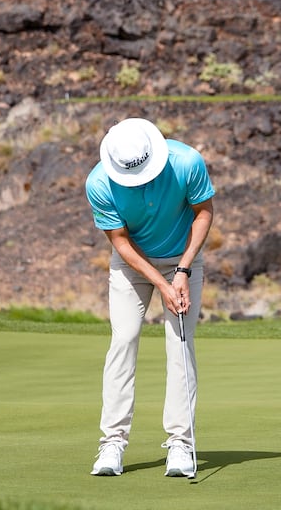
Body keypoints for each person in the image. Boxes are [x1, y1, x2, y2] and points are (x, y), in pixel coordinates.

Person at [86, 118, 216, 479]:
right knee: (123, 340)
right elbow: (121, 242)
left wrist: (183, 271)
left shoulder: (187, 162)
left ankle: (181, 444)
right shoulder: (99, 183)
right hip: (132, 265)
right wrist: (162, 282)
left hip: (183, 259)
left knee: (179, 342)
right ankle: (111, 443)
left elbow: (204, 212)